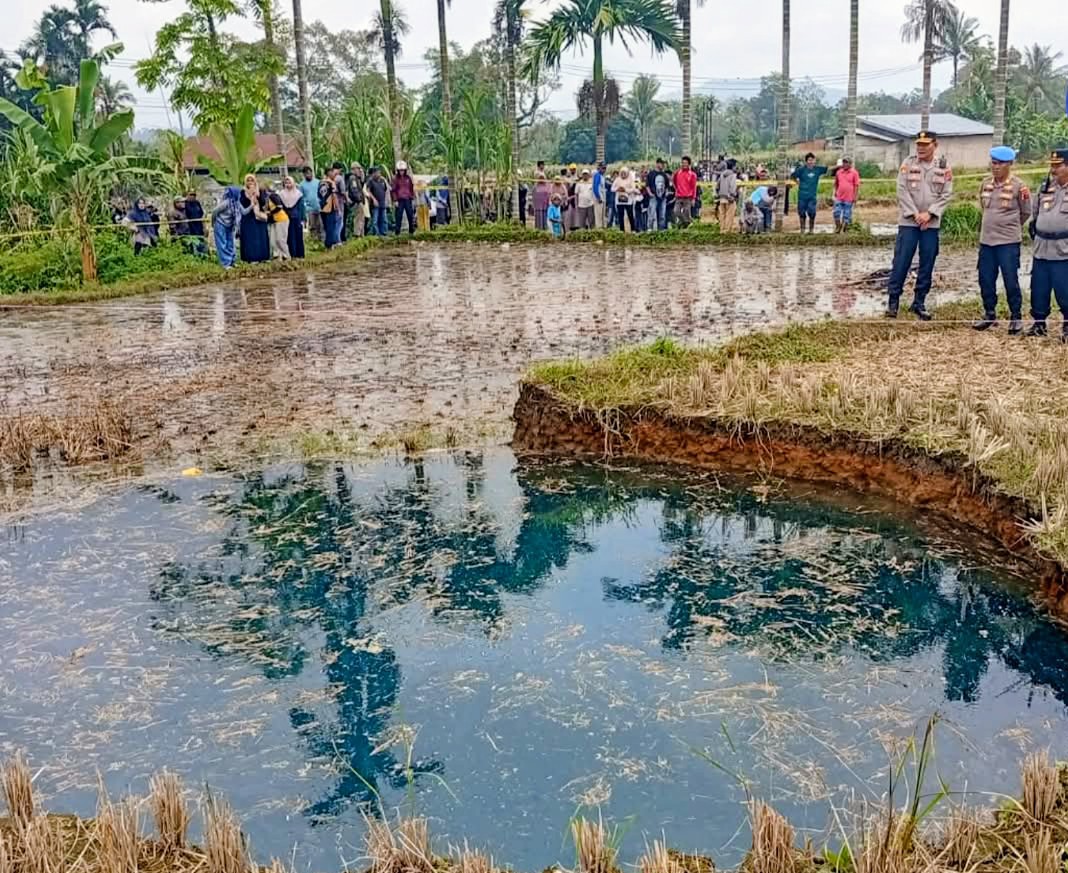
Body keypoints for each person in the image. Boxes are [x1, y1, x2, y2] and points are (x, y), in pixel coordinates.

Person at [885, 130, 953, 320]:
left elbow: (946, 194)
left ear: (935, 145)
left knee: (927, 262)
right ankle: (893, 301)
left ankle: (919, 301)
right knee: (901, 260)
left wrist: (929, 214)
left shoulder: (944, 167)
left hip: (931, 223)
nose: (921, 148)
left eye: (925, 145)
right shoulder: (908, 163)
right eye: (919, 145)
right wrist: (915, 215)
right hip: (909, 221)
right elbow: (901, 190)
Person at [973, 146, 1030, 334]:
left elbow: (1026, 212)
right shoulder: (985, 184)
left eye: (1000, 164)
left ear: (1010, 164)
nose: (995, 167)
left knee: (1010, 280)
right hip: (987, 242)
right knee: (985, 279)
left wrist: (1009, 227)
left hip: (1008, 243)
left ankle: (1016, 317)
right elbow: (984, 207)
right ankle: (989, 313)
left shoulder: (1019, 186)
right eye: (994, 163)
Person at [1025, 148, 1068, 342]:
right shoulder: (1045, 187)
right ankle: (1039, 324)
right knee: (1039, 288)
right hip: (1042, 248)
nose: (1053, 169)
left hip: (1063, 250)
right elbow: (1035, 213)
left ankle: (1067, 325)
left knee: (1064, 289)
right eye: (1052, 165)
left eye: (1058, 166)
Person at [791, 153, 828, 233]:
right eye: (809, 160)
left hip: (812, 196)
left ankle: (811, 230)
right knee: (801, 213)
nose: (811, 162)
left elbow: (828, 169)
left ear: (815, 161)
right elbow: (793, 176)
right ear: (806, 161)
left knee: (812, 212)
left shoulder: (818, 169)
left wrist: (839, 166)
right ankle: (802, 229)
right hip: (802, 195)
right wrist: (797, 182)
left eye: (812, 160)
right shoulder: (801, 170)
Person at [239, 174, 271, 263]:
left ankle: (263, 257)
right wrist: (249, 196)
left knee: (261, 237)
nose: (250, 182)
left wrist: (257, 195)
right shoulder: (242, 192)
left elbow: (264, 202)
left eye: (252, 180)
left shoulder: (260, 190)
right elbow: (242, 203)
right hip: (248, 217)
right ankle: (251, 258)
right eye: (248, 180)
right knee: (250, 237)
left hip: (259, 217)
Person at [211, 186, 241, 268]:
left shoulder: (237, 204)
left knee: (230, 243)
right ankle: (225, 264)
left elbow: (238, 216)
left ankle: (231, 262)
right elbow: (215, 211)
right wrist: (213, 222)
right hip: (220, 224)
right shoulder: (226, 202)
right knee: (222, 244)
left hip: (230, 225)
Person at [279, 175, 306, 259]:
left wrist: (303, 219)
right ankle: (291, 254)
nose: (288, 184)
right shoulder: (281, 194)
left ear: (293, 183)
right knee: (289, 237)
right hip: (286, 218)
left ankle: (299, 255)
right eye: (286, 183)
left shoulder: (298, 194)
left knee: (298, 236)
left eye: (289, 182)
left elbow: (302, 208)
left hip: (297, 218)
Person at [832, 157, 861, 233]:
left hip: (849, 198)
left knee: (847, 215)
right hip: (839, 197)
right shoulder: (839, 172)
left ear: (850, 164)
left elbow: (856, 185)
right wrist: (835, 192)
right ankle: (838, 227)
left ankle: (844, 229)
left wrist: (855, 196)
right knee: (836, 212)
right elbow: (836, 183)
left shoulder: (854, 173)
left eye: (846, 162)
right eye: (844, 162)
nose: (845, 164)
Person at [318, 164, 343, 249]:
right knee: (331, 226)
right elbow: (334, 196)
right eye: (332, 172)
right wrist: (338, 208)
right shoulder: (331, 183)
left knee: (326, 226)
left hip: (322, 207)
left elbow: (318, 195)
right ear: (329, 173)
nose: (334, 174)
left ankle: (327, 243)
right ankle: (330, 244)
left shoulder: (321, 183)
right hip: (330, 207)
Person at [265, 185, 291, 260]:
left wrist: (270, 212)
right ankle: (278, 257)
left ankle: (287, 256)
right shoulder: (266, 199)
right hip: (274, 221)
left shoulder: (273, 196)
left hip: (281, 219)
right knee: (273, 241)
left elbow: (279, 206)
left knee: (280, 240)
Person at [644, 159, 669, 232]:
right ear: (657, 164)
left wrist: (666, 193)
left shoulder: (664, 174)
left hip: (663, 197)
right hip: (654, 196)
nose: (663, 166)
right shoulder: (651, 174)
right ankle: (650, 229)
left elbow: (667, 186)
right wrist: (650, 193)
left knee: (662, 215)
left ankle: (661, 229)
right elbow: (647, 185)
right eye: (661, 164)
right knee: (651, 214)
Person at [673, 156, 698, 228]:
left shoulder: (692, 175)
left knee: (686, 212)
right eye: (683, 163)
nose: (684, 164)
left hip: (688, 197)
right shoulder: (677, 173)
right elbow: (674, 182)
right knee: (676, 211)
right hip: (679, 197)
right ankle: (686, 223)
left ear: (689, 164)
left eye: (685, 163)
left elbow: (694, 187)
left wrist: (693, 198)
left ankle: (687, 224)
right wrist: (677, 189)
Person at [392, 160, 416, 235]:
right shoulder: (395, 179)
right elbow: (393, 190)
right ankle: (397, 232)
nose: (401, 172)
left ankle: (411, 231)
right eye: (400, 170)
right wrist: (395, 200)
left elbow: (411, 188)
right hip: (399, 200)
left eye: (402, 170)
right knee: (398, 216)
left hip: (408, 199)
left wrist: (412, 197)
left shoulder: (408, 178)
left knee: (410, 215)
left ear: (405, 170)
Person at [612, 167, 638, 232]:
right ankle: (622, 230)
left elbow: (633, 189)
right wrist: (618, 189)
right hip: (619, 201)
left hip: (628, 201)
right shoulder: (617, 179)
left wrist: (625, 190)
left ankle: (633, 229)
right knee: (620, 216)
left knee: (630, 215)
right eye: (622, 173)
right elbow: (612, 188)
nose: (623, 174)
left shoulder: (630, 179)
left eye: (624, 173)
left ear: (627, 173)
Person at [299, 166, 322, 242]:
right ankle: (313, 241)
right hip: (309, 208)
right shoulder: (302, 185)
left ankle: (320, 240)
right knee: (312, 226)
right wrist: (306, 207)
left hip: (319, 207)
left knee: (320, 225)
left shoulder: (318, 182)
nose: (307, 175)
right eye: (306, 174)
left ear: (312, 173)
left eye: (309, 173)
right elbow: (301, 198)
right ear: (304, 175)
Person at [716, 159, 739, 233]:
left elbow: (717, 186)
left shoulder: (722, 174)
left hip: (722, 197)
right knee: (729, 214)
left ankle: (722, 229)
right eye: (735, 166)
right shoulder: (733, 175)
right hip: (729, 197)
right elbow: (732, 186)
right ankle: (727, 230)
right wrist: (732, 195)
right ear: (733, 167)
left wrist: (719, 194)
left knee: (722, 214)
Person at [346, 162, 367, 239]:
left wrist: (362, 177)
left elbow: (361, 185)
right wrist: (359, 200)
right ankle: (357, 234)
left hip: (359, 201)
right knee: (358, 218)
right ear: (354, 169)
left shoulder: (357, 178)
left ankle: (361, 234)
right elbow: (354, 190)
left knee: (361, 218)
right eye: (358, 169)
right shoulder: (353, 178)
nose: (359, 171)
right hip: (357, 202)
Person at [182, 191, 207, 255]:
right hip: (190, 226)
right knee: (193, 240)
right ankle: (195, 254)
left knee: (201, 239)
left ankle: (203, 254)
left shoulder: (197, 203)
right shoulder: (185, 204)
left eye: (194, 195)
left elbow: (201, 214)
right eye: (191, 195)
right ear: (187, 195)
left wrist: (204, 227)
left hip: (199, 226)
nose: (192, 196)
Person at [367, 166, 389, 236]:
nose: (378, 174)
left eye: (379, 172)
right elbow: (368, 191)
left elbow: (385, 190)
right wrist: (374, 199)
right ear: (373, 173)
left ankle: (384, 233)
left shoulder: (382, 180)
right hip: (375, 204)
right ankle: (376, 234)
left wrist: (386, 200)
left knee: (384, 219)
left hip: (382, 203)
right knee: (375, 220)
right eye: (376, 172)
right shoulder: (370, 181)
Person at [592, 161, 607, 228]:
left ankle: (602, 229)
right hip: (599, 199)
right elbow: (595, 187)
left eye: (605, 168)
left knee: (602, 217)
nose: (604, 170)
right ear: (599, 168)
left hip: (603, 198)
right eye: (602, 168)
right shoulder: (597, 175)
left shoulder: (602, 176)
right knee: (598, 217)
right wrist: (599, 197)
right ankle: (599, 230)